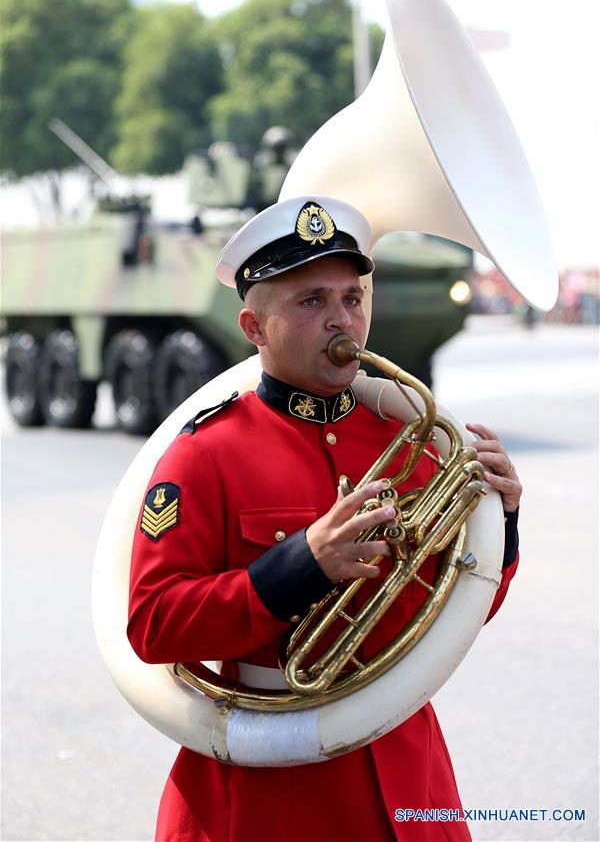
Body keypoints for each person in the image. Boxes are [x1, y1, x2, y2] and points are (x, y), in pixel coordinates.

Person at [128, 197, 522, 842]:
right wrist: (299, 566)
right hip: (271, 784)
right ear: (254, 328)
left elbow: (455, 605)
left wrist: (502, 522)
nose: (342, 320)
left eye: (351, 298)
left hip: (406, 767)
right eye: (311, 301)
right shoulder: (205, 453)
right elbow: (154, 625)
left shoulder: (412, 439)